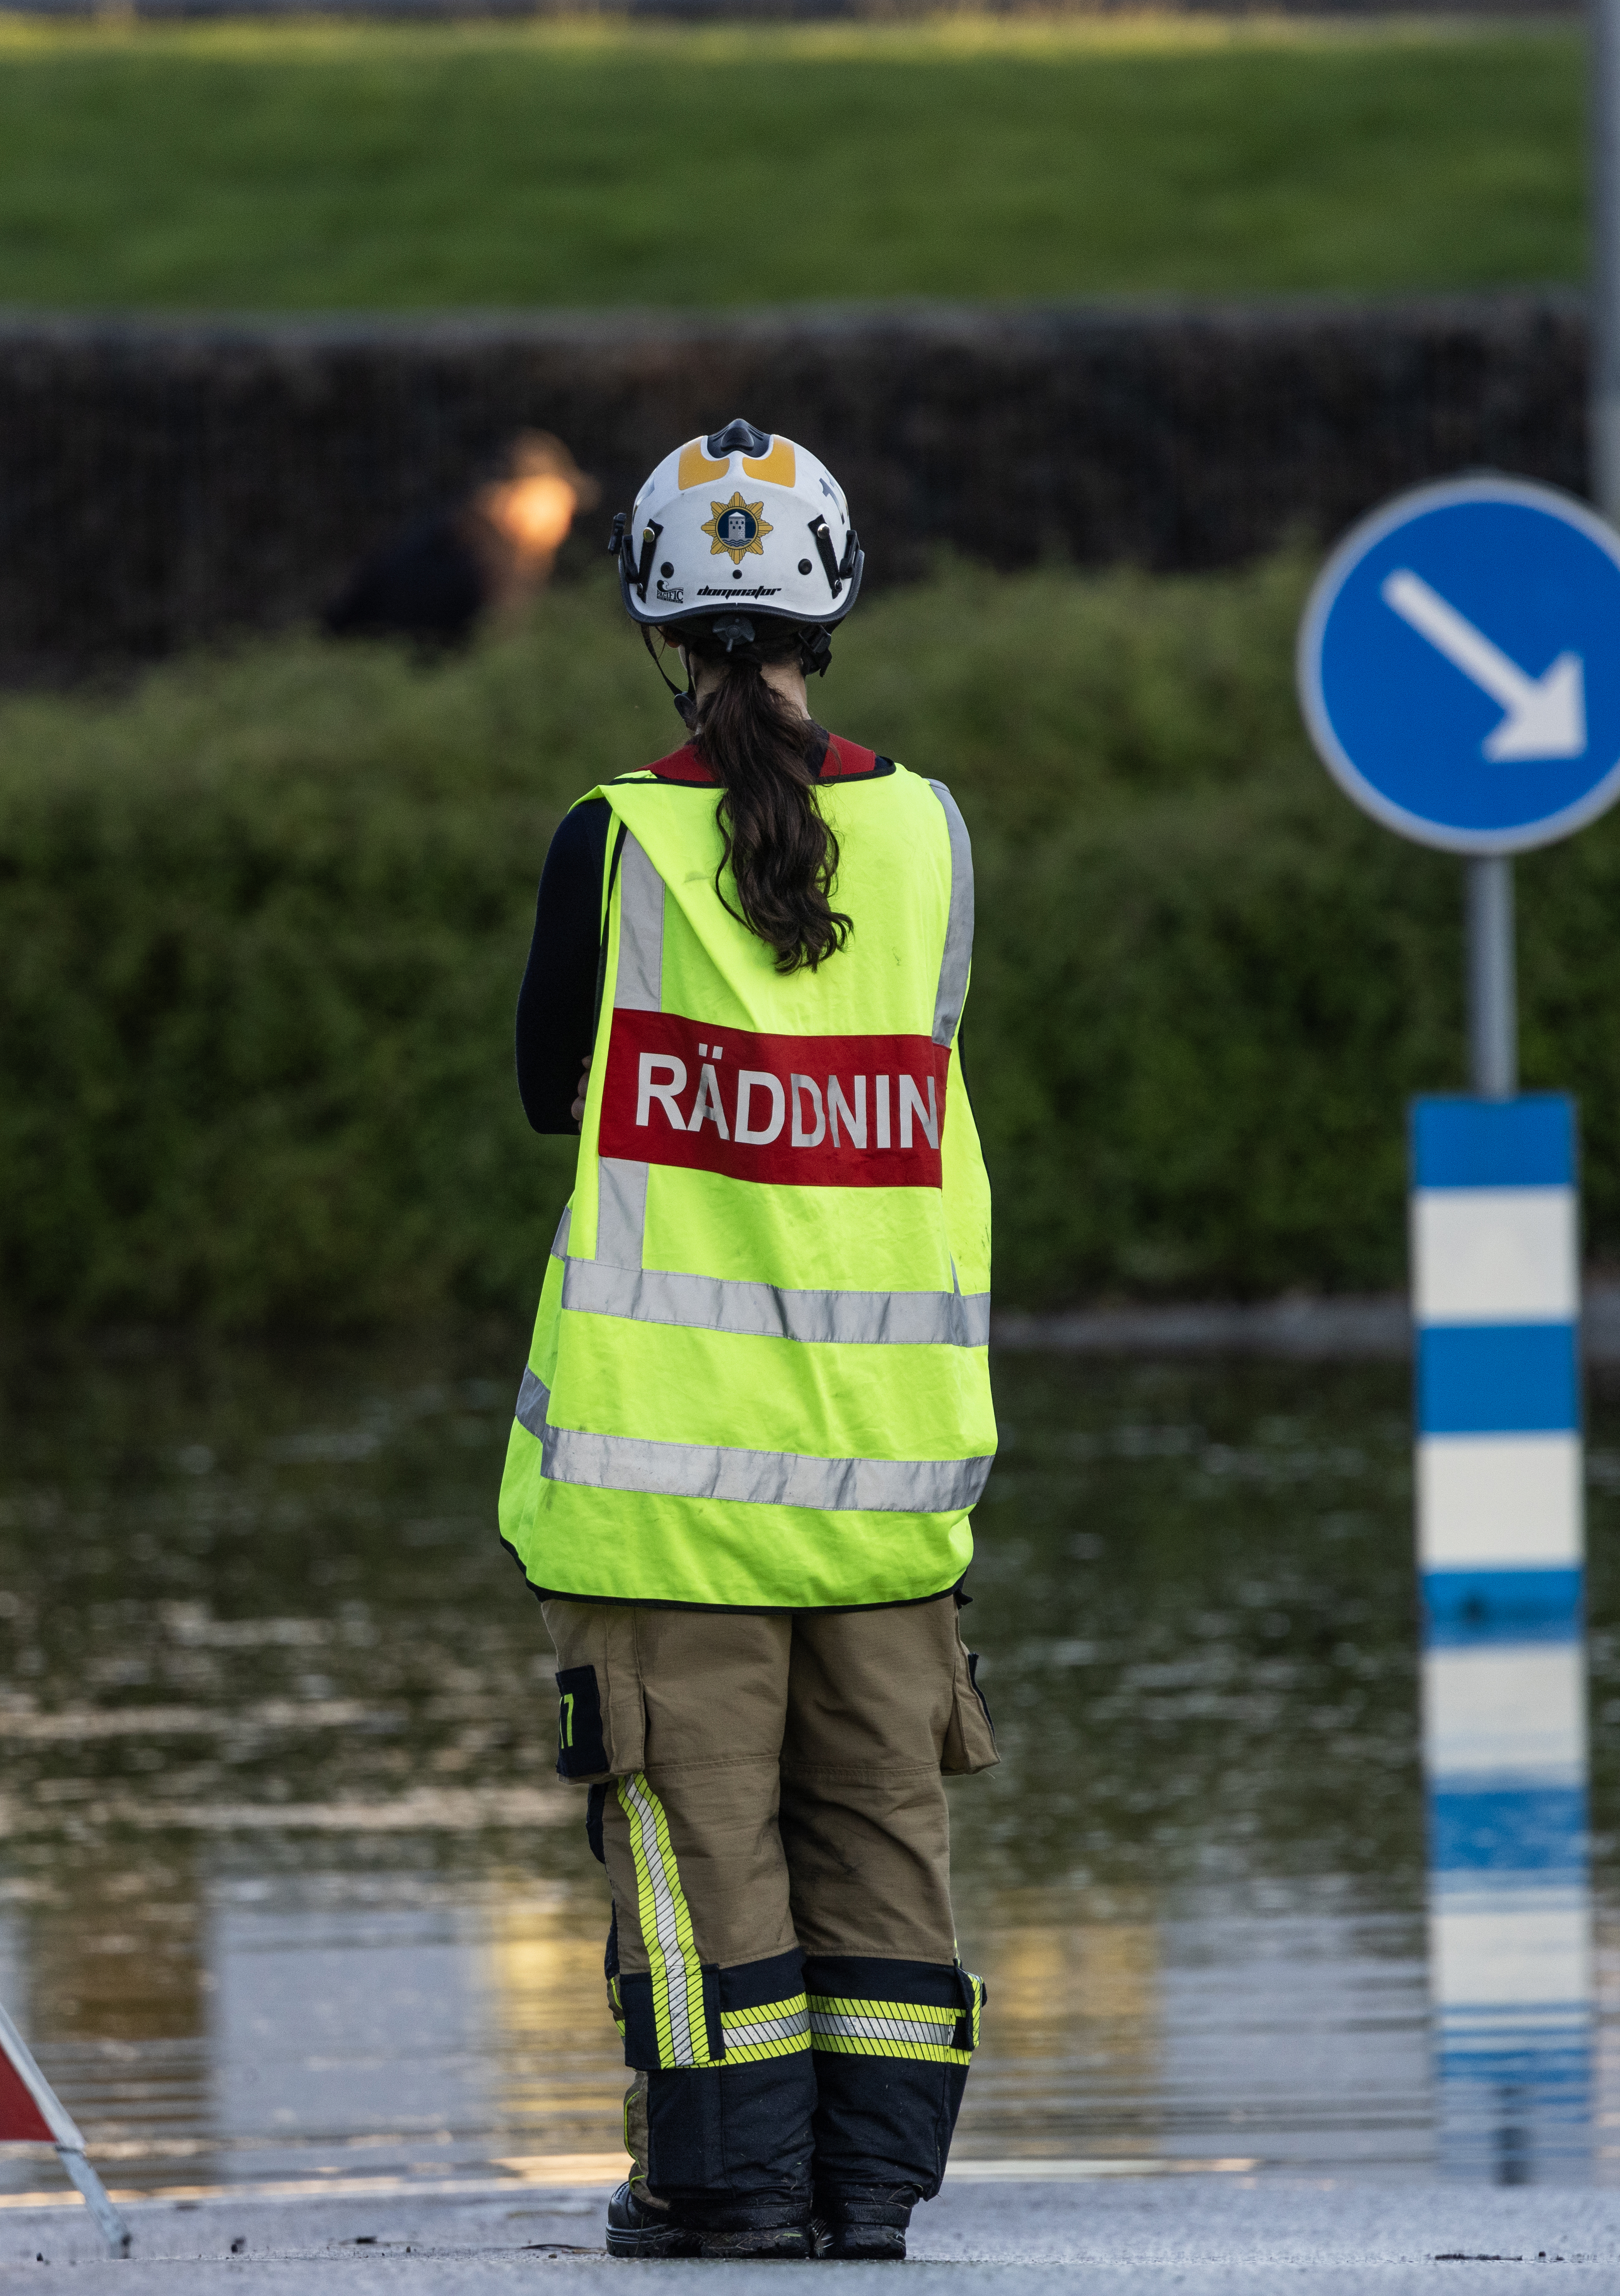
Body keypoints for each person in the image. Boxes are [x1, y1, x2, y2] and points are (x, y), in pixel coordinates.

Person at [499, 419, 999, 2263]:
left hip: (664, 1482)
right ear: (833, 605)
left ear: (656, 619)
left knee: (699, 1837)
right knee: (879, 1824)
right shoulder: (933, 837)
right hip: (884, 1476)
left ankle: (720, 2187)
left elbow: (552, 1093)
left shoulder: (613, 841)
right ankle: (866, 2193)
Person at [322, 431, 595, 648]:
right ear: (507, 501)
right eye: (555, 503)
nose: (564, 521)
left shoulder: (530, 564)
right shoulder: (439, 566)